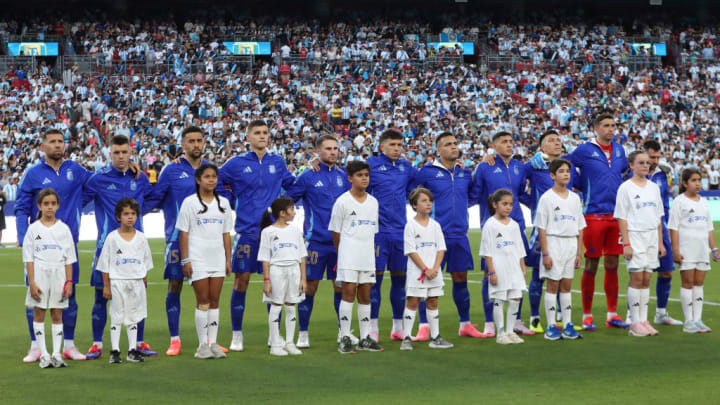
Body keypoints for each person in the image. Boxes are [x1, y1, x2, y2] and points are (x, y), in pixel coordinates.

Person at [15, 129, 92, 363]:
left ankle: (68, 344)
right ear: (43, 146)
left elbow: (98, 182)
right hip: (39, 247)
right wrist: (22, 236)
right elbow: (20, 207)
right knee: (35, 294)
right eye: (52, 141)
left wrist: (128, 166)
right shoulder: (32, 174)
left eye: (60, 141)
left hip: (67, 244)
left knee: (70, 293)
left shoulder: (75, 170)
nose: (57, 145)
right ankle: (36, 346)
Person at [144, 126, 222, 356]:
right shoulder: (171, 171)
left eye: (199, 140)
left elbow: (225, 197)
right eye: (191, 141)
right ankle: (174, 339)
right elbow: (156, 198)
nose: (196, 145)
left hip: (207, 240)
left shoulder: (212, 170)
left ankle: (209, 341)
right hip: (178, 240)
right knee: (175, 286)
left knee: (209, 293)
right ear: (183, 144)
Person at [219, 119, 295, 351]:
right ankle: (237, 334)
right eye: (257, 133)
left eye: (265, 133)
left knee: (276, 285)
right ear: (248, 137)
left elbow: (292, 185)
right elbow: (218, 181)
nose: (262, 136)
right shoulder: (236, 164)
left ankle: (275, 335)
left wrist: (283, 208)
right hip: (247, 232)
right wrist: (231, 202)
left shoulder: (277, 162)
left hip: (274, 233)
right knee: (241, 282)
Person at [83, 135, 154, 359]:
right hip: (106, 247)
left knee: (138, 295)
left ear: (130, 153)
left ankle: (139, 343)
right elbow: (79, 197)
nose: (121, 156)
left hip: (135, 247)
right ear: (109, 154)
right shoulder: (98, 179)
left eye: (124, 152)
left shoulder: (140, 178)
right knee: (100, 297)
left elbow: (152, 199)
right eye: (116, 153)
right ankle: (97, 343)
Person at [410, 132, 484, 338]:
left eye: (455, 143)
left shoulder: (464, 173)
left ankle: (465, 324)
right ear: (438, 150)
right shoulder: (426, 172)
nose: (453, 147)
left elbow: (471, 196)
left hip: (459, 234)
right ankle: (424, 326)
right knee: (428, 281)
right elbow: (412, 193)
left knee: (461, 278)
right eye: (448, 144)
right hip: (433, 237)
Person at [285, 135, 351, 348]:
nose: (333, 152)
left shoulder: (344, 176)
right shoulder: (307, 176)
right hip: (315, 242)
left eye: (336, 148)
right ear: (318, 152)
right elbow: (288, 200)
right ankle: (303, 333)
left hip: (341, 243)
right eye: (328, 149)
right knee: (309, 288)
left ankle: (344, 332)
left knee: (341, 287)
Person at [565, 113, 629, 331]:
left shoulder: (620, 150)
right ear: (596, 128)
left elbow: (622, 174)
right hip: (593, 214)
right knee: (591, 264)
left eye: (613, 125)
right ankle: (587, 315)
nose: (611, 129)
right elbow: (565, 163)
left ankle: (612, 314)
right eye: (606, 126)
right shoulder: (584, 150)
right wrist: (578, 183)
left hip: (616, 215)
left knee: (612, 264)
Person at [474, 131, 532, 337]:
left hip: (517, 225)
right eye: (504, 142)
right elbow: (474, 193)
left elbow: (523, 195)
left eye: (511, 141)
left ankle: (515, 321)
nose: (509, 145)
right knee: (489, 274)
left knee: (518, 271)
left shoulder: (519, 167)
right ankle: (490, 321)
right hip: (493, 227)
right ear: (494, 145)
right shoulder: (485, 166)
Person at [366, 129, 418, 342]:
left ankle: (398, 327)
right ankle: (372, 327)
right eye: (392, 145)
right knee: (374, 283)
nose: (396, 149)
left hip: (400, 232)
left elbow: (424, 181)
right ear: (382, 146)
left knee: (400, 281)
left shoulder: (406, 167)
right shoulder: (370, 165)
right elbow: (347, 176)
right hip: (377, 233)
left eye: (399, 145)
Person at [176, 164, 233, 359]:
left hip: (217, 257)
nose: (211, 180)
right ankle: (202, 346)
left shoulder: (224, 203)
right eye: (207, 176)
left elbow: (227, 234)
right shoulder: (189, 203)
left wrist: (228, 258)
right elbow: (183, 233)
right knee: (203, 300)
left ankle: (213, 343)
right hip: (197, 256)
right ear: (198, 180)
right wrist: (186, 260)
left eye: (214, 177)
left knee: (215, 300)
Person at [329, 160, 383, 354]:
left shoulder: (373, 202)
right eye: (360, 175)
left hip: (366, 256)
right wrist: (342, 254)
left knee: (366, 295)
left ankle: (365, 337)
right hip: (348, 255)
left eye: (366, 175)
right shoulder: (342, 201)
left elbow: (372, 232)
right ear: (350, 178)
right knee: (348, 293)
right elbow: (336, 232)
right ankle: (344, 336)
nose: (364, 178)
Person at [614, 150, 665, 337]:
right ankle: (635, 322)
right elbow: (622, 218)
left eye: (647, 162)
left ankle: (644, 320)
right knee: (636, 279)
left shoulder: (653, 188)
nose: (645, 165)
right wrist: (626, 243)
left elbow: (659, 216)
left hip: (652, 237)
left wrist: (660, 243)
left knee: (646, 279)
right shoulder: (625, 188)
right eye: (641, 162)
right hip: (635, 237)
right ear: (631, 165)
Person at [23, 188, 76, 368]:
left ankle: (56, 354)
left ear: (58, 205)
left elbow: (69, 258)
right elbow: (28, 258)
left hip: (59, 273)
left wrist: (69, 282)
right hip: (39, 273)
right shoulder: (33, 229)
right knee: (39, 312)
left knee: (57, 313)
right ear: (39, 206)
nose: (50, 207)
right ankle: (44, 354)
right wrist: (31, 282)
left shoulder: (64, 229)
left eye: (53, 204)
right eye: (46, 204)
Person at [96, 198, 153, 364]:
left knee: (134, 316)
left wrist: (143, 282)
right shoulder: (112, 238)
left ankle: (132, 350)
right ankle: (115, 351)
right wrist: (106, 286)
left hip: (136, 282)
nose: (130, 217)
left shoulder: (141, 238)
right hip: (117, 282)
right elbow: (105, 264)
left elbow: (145, 263)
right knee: (117, 315)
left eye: (133, 214)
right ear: (118, 216)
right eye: (126, 214)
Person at [534, 159, 585, 340]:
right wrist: (546, 253)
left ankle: (568, 323)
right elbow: (542, 228)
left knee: (566, 285)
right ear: (552, 175)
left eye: (567, 171)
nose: (565, 174)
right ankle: (550, 325)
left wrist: (579, 252)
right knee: (553, 284)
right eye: (561, 171)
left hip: (571, 244)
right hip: (554, 243)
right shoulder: (547, 198)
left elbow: (580, 227)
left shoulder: (574, 198)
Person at [400, 187, 453, 351]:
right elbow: (411, 251)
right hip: (419, 272)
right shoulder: (410, 226)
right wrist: (425, 269)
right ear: (415, 205)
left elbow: (441, 249)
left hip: (434, 272)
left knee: (433, 301)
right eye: (424, 200)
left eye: (430, 200)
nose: (428, 203)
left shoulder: (436, 225)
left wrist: (435, 269)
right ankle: (406, 337)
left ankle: (435, 337)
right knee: (413, 302)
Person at [668, 168, 718, 333]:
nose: (698, 184)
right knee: (688, 283)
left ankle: (698, 320)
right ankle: (688, 321)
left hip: (702, 249)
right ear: (684, 183)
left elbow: (709, 228)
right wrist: (675, 250)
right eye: (694, 180)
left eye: (699, 180)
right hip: (686, 249)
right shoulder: (679, 201)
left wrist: (714, 248)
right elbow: (673, 227)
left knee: (699, 284)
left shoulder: (703, 202)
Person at [258, 197, 308, 356]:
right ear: (282, 213)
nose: (294, 212)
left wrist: (303, 278)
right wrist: (267, 281)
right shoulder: (268, 232)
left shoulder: (295, 230)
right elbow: (265, 258)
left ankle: (290, 343)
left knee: (291, 306)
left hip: (293, 270)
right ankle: (275, 344)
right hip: (277, 271)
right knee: (276, 306)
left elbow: (302, 255)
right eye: (292, 209)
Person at [479, 189, 527, 345]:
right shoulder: (490, 225)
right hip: (499, 267)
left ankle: (510, 331)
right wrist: (491, 272)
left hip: (514, 267)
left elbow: (519, 249)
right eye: (504, 204)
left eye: (510, 204)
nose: (508, 207)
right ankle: (500, 333)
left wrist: (523, 267)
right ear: (495, 205)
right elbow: (487, 251)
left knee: (515, 298)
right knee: (499, 299)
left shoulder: (514, 225)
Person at [642, 140, 682, 326]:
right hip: (641, 229)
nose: (655, 161)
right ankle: (633, 314)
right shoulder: (631, 175)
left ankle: (660, 313)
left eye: (658, 157)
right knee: (640, 273)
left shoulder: (663, 173)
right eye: (652, 157)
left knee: (667, 272)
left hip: (661, 227)